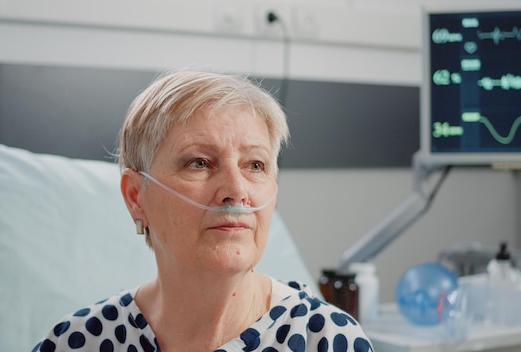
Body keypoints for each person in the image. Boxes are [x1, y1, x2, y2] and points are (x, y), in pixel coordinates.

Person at [33, 70, 373, 352]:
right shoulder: (77, 342)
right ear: (136, 196)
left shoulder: (328, 340)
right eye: (200, 163)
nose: (236, 191)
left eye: (255, 165)